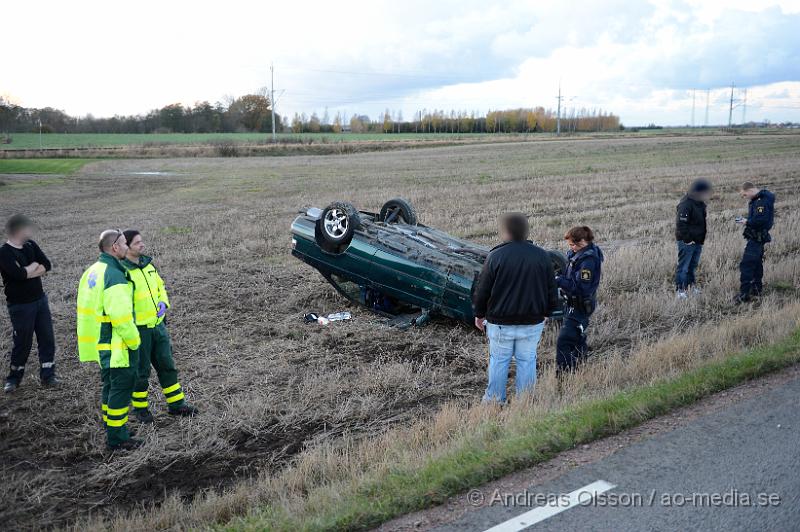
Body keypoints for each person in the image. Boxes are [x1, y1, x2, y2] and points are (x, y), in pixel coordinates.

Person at [472, 213, 560, 403]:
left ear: (506, 232)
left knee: (499, 361)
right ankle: (526, 401)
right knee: (527, 361)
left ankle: (495, 402)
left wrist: (479, 314)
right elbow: (551, 288)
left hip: (501, 323)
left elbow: (482, 290)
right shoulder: (542, 255)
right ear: (525, 231)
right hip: (532, 322)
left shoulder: (495, 256)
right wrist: (548, 312)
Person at [121, 230, 197, 422]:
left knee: (167, 365)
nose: (142, 245)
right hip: (139, 330)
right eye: (137, 243)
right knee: (141, 371)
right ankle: (140, 409)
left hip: (158, 327)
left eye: (142, 241)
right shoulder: (123, 271)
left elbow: (160, 287)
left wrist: (164, 303)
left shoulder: (149, 265)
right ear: (127, 246)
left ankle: (176, 405)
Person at [77, 230, 142, 450]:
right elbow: (121, 318)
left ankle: (113, 427)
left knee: (109, 386)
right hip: (117, 346)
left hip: (100, 344)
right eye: (124, 243)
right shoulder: (114, 276)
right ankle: (117, 438)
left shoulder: (93, 271)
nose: (127, 247)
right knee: (121, 388)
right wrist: (135, 342)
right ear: (114, 247)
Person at [0, 215, 57, 392]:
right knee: (22, 342)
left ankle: (48, 375)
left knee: (47, 337)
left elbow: (46, 264)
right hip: (20, 305)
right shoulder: (4, 253)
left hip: (40, 300)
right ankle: (14, 378)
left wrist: (28, 270)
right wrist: (33, 267)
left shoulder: (31, 245)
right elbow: (18, 275)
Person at [555, 226, 604, 374]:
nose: (571, 248)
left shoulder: (588, 260)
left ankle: (565, 375)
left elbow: (581, 288)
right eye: (570, 245)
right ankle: (580, 368)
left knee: (564, 340)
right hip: (572, 303)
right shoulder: (577, 255)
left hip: (580, 306)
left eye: (573, 244)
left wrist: (558, 280)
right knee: (577, 337)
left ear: (583, 241)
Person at [735, 182, 775, 303]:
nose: (744, 197)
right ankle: (756, 289)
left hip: (757, 238)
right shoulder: (761, 199)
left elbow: (760, 220)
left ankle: (744, 294)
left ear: (750, 190)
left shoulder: (761, 201)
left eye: (744, 194)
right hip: (758, 237)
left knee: (746, 264)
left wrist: (746, 221)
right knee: (757, 264)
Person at [675, 179, 711, 298]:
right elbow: (681, 224)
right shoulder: (685, 204)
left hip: (698, 240)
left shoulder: (700, 203)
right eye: (705, 192)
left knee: (692, 266)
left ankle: (691, 287)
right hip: (687, 241)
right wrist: (687, 240)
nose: (707, 194)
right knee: (684, 267)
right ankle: (680, 291)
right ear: (698, 192)